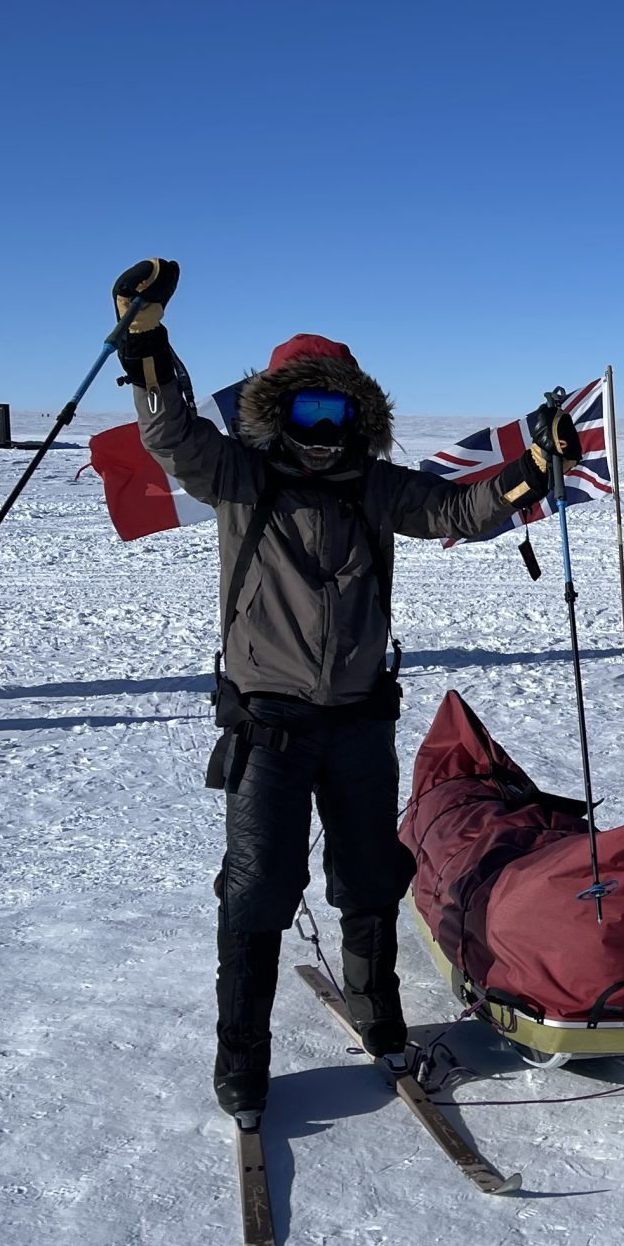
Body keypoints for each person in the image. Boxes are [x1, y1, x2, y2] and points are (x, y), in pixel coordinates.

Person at [112, 258, 582, 1118]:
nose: (321, 427)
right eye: (305, 408)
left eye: (336, 410)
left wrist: (533, 468)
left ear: (357, 416)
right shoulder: (241, 479)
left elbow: (461, 512)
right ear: (276, 413)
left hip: (362, 724)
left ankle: (380, 1017)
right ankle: (242, 1058)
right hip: (269, 727)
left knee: (371, 876)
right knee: (258, 889)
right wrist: (149, 349)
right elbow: (171, 435)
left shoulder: (375, 487)